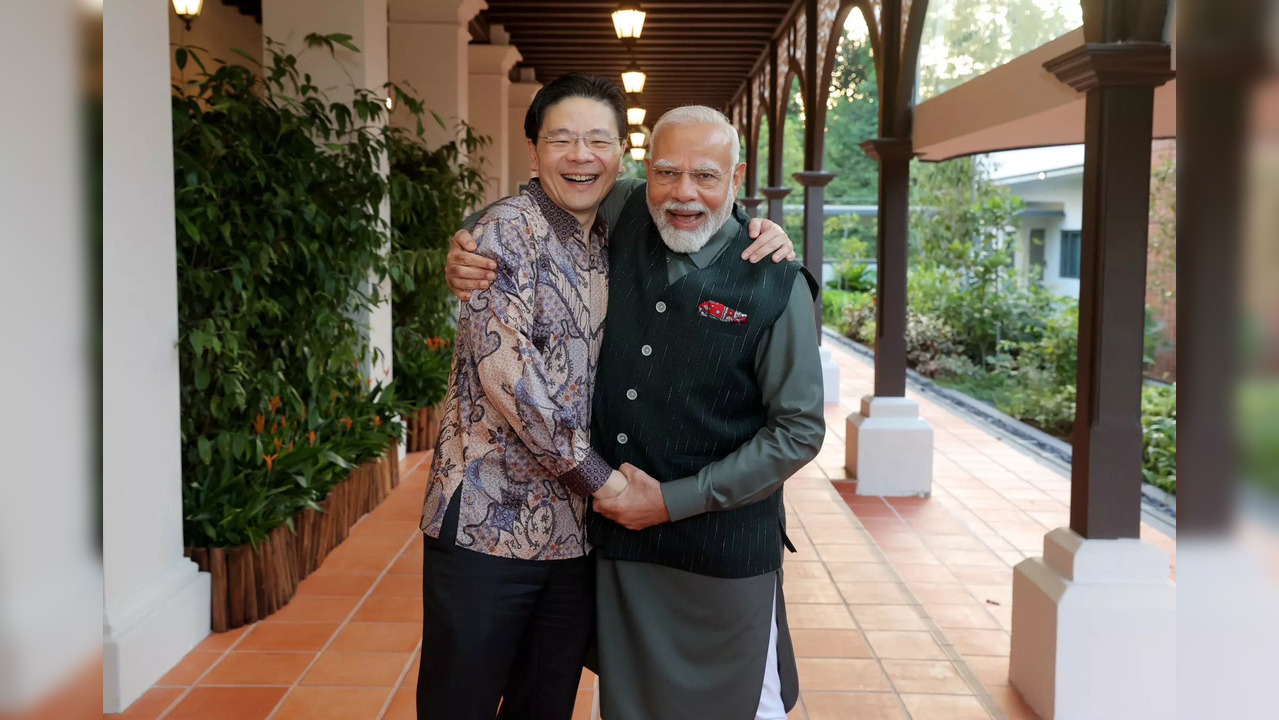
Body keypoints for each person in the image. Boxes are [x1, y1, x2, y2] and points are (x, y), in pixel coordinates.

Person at [418, 75, 796, 720]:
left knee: (545, 705)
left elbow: (704, 203)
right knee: (463, 703)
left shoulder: (619, 232)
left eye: (599, 139)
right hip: (489, 522)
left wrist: (772, 239)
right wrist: (608, 486)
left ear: (623, 154)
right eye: (561, 139)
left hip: (575, 537)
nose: (580, 154)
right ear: (533, 152)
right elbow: (511, 382)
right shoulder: (507, 232)